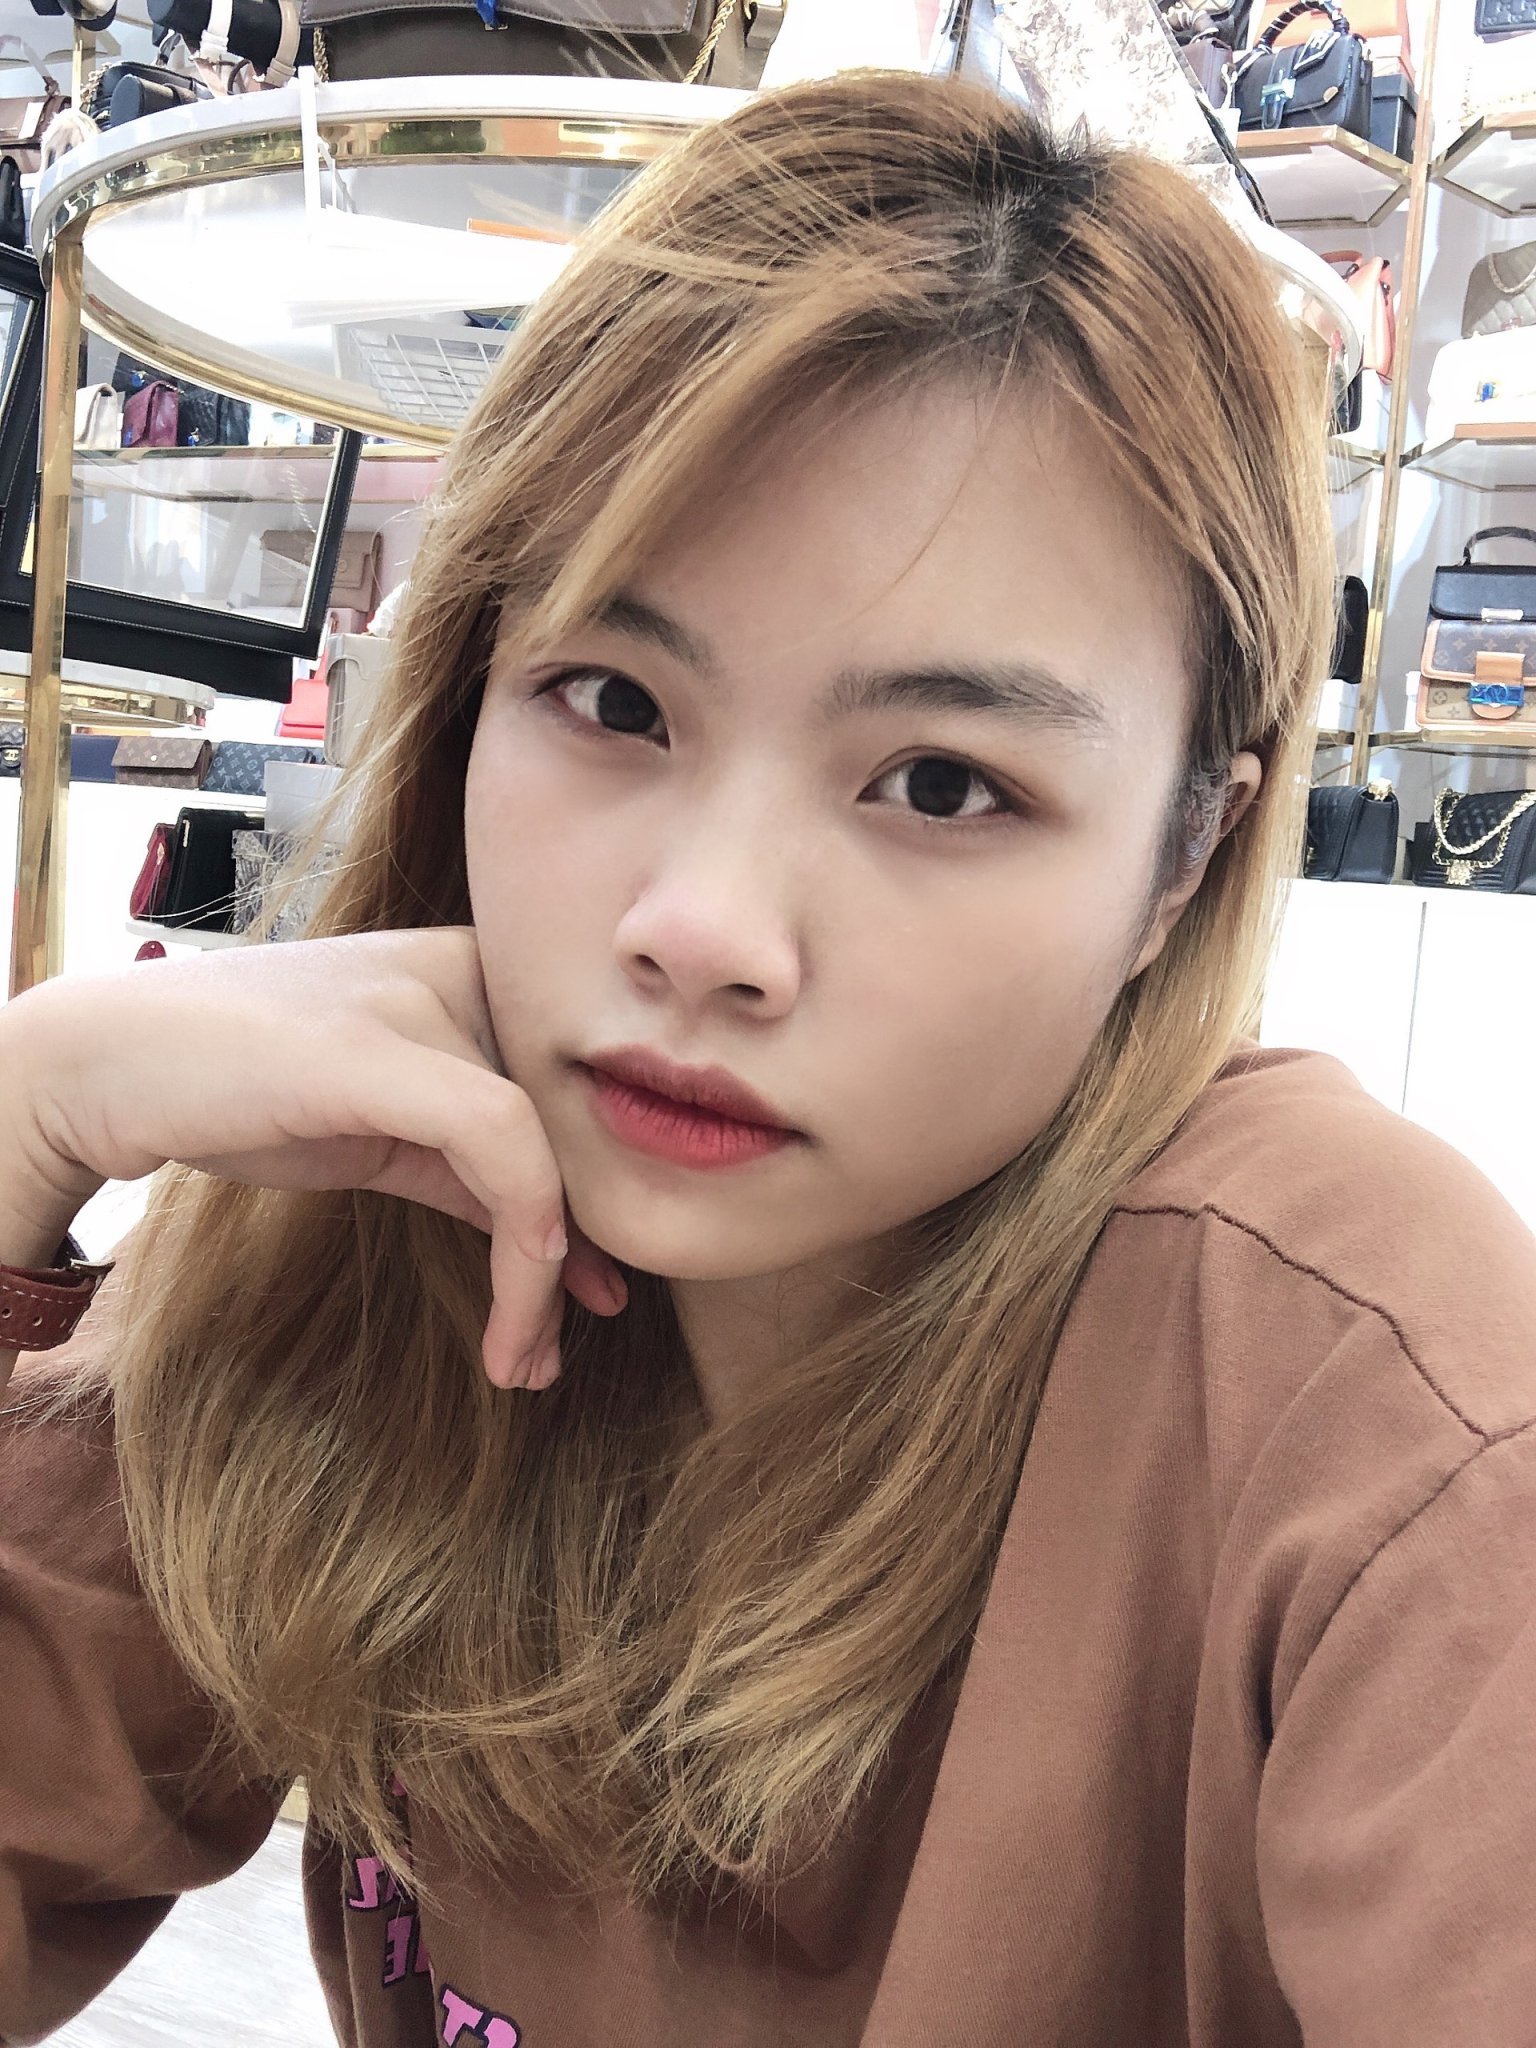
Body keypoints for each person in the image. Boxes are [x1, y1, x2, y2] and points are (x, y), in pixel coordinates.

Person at [2, 65, 1533, 2048]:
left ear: (1183, 859)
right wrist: (29, 1114)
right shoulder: (367, 1211)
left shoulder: (1385, 1419)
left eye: (942, 783)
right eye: (613, 700)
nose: (705, 929)